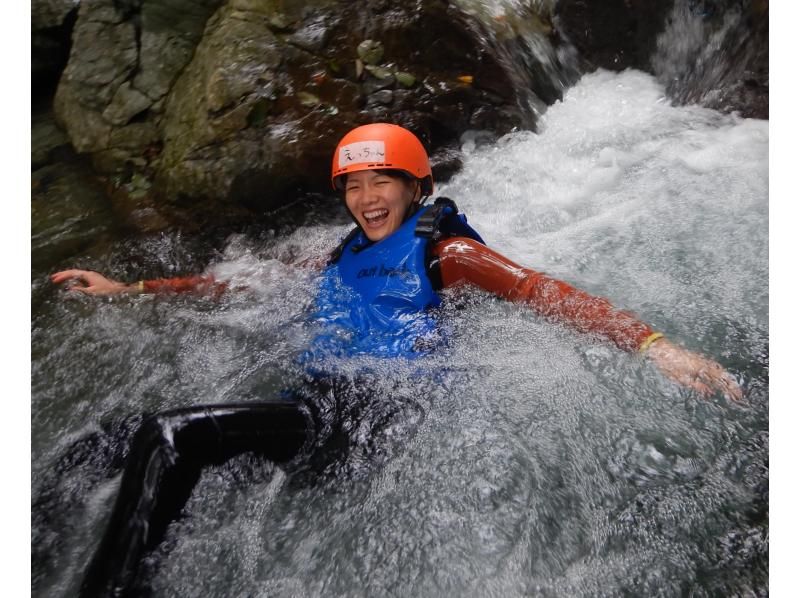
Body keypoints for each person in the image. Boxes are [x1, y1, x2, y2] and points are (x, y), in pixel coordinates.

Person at [52, 122, 742, 400]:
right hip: (320, 391)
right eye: (353, 185)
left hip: (386, 406)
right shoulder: (340, 252)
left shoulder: (451, 252)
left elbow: (544, 291)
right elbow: (233, 282)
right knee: (109, 450)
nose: (365, 196)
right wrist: (127, 287)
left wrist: (654, 346)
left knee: (168, 446)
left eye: (382, 180)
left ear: (417, 188)